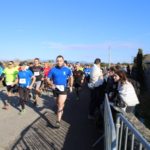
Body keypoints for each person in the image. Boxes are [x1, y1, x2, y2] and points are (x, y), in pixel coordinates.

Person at [47, 55, 73, 128]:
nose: (59, 62)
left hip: (63, 89)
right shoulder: (52, 69)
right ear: (56, 61)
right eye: (57, 60)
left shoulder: (67, 69)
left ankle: (58, 121)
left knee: (60, 105)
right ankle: (60, 109)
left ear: (63, 61)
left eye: (60, 60)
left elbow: (71, 77)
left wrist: (70, 85)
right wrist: (51, 84)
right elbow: (47, 79)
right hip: (55, 89)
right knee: (58, 104)